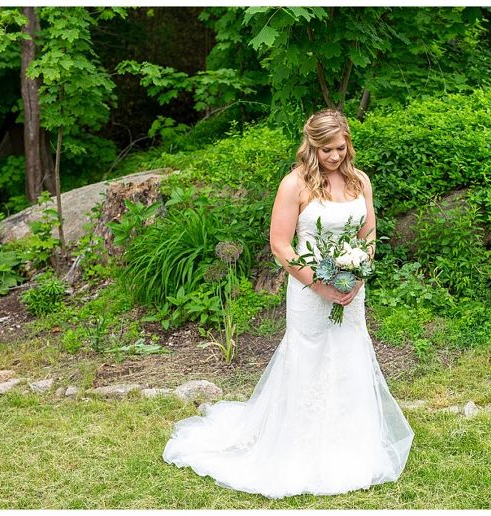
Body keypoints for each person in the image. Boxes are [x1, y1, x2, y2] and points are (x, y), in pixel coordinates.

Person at [162, 109, 414, 499]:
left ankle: (351, 443)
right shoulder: (294, 184)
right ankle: (300, 446)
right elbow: (281, 244)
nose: (334, 156)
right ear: (312, 147)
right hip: (310, 291)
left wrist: (359, 272)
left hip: (352, 290)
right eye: (327, 149)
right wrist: (322, 286)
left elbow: (369, 233)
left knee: (349, 354)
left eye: (340, 147)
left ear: (348, 143)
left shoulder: (359, 181)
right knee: (310, 359)